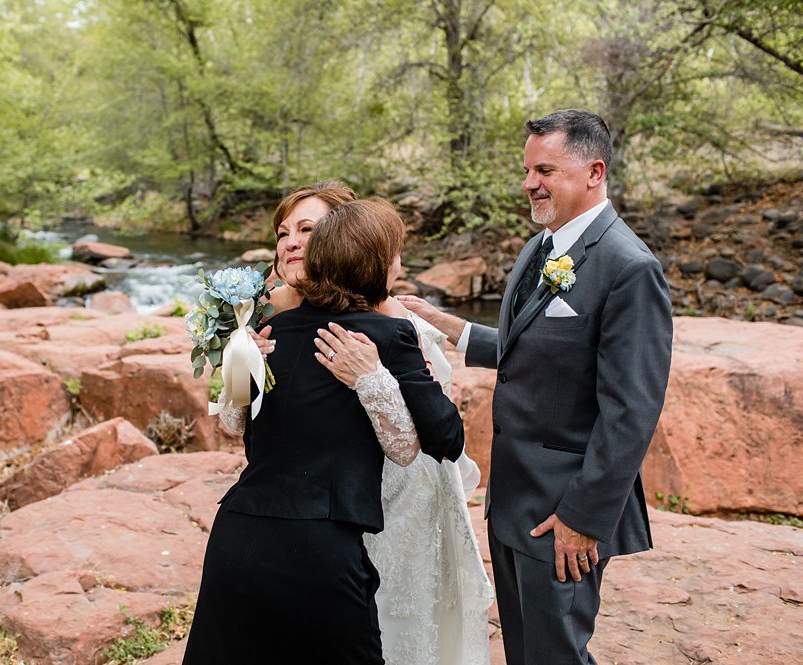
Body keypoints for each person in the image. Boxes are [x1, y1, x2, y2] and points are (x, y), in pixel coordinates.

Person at [399, 108, 672, 664]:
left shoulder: (629, 268)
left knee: (556, 656)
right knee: (525, 653)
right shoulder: (541, 247)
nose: (529, 183)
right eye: (528, 170)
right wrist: (452, 329)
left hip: (562, 514)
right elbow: (542, 347)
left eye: (544, 170)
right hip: (513, 501)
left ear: (594, 172)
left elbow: (631, 411)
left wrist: (583, 519)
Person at [183, 198, 465, 664]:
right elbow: (430, 444)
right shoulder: (386, 334)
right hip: (321, 547)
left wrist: (242, 358)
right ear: (373, 262)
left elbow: (234, 425)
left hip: (237, 533)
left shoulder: (271, 329)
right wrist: (372, 379)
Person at [263, 181, 495, 665]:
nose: (292, 243)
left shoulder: (393, 320)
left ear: (344, 238)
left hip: (401, 494)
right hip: (320, 508)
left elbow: (435, 428)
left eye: (309, 229)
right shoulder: (271, 316)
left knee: (393, 618)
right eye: (284, 232)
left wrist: (373, 379)